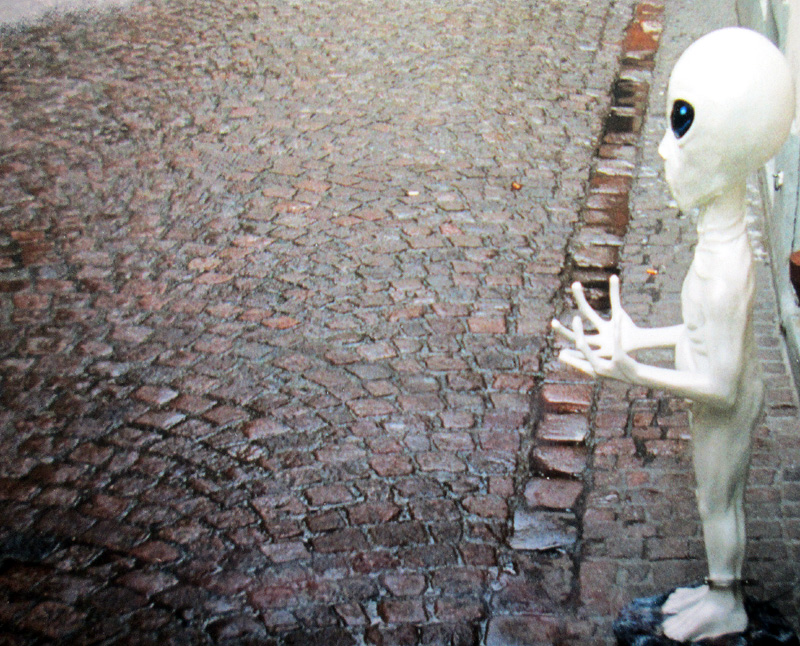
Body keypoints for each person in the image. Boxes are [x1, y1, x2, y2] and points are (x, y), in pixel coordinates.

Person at [552, 27, 794, 641]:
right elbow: (701, 332)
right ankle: (717, 589)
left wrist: (633, 371)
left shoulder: (727, 270)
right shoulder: (718, 248)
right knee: (712, 497)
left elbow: (720, 383)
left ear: (732, 148)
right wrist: (639, 336)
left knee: (718, 501)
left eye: (682, 124)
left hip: (726, 409)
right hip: (721, 395)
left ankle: (727, 602)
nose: (662, 150)